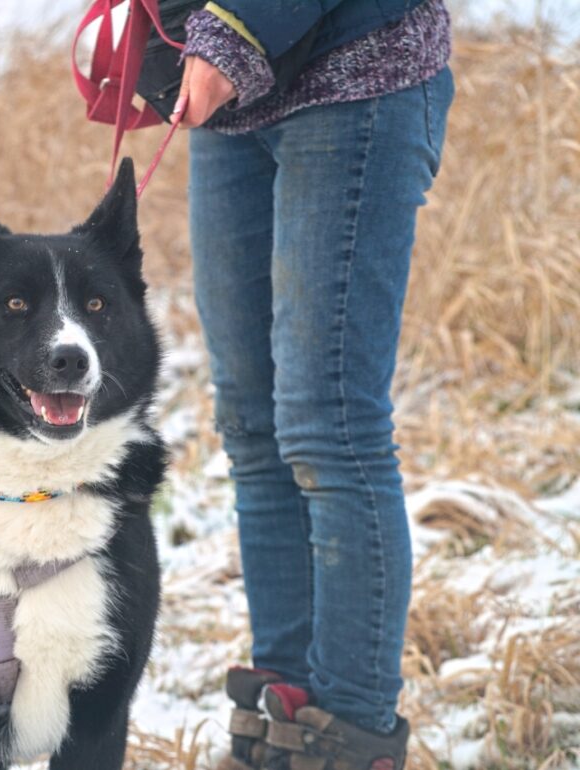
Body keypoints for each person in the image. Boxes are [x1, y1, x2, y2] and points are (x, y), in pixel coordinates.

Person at [167, 2, 454, 768]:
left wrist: (229, 32)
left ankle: (350, 736)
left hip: (356, 76)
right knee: (253, 430)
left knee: (329, 427)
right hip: (239, 109)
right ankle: (282, 716)